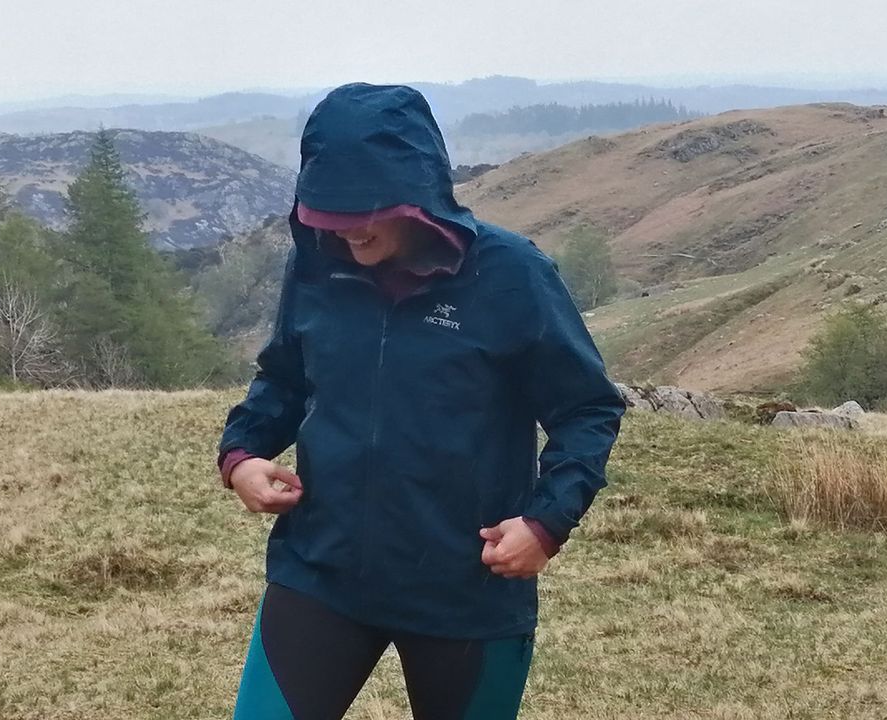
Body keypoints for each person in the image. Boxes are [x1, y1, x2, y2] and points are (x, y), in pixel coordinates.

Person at [218, 83, 625, 720]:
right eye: (331, 214)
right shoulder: (317, 267)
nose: (349, 233)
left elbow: (587, 409)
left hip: (465, 589)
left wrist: (546, 523)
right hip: (320, 571)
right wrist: (242, 455)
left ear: (418, 197)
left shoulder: (513, 275)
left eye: (365, 213)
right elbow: (284, 378)